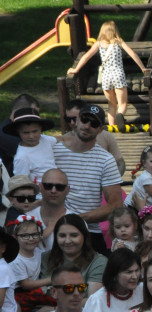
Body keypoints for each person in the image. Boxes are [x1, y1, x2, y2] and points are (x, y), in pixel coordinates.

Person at [52, 105, 124, 252]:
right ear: (77, 120)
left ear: (101, 129)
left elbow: (116, 204)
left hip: (88, 230)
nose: (87, 126)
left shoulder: (106, 160)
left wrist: (76, 219)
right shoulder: (53, 148)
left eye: (94, 123)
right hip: (51, 225)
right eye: (85, 119)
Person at [65, 21, 147, 129]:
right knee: (122, 103)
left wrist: (76, 69)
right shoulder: (119, 42)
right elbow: (133, 54)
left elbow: (85, 57)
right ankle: (120, 115)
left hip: (106, 76)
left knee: (111, 104)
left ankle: (112, 128)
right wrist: (143, 68)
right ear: (114, 31)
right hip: (118, 74)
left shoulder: (99, 43)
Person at [42, 214, 107, 293]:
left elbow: (92, 301)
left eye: (74, 235)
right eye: (62, 236)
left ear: (84, 236)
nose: (67, 241)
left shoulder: (98, 262)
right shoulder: (45, 258)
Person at [61, 99, 127, 176]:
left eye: (75, 119)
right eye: (68, 119)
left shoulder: (106, 137)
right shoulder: (62, 142)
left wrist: (112, 181)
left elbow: (120, 162)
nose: (72, 123)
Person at [83, 248, 142, 312]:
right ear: (114, 274)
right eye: (129, 272)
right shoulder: (98, 300)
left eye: (137, 270)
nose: (135, 277)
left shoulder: (143, 290)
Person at [6, 108, 56, 185]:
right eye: (26, 133)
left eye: (35, 131)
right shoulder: (22, 157)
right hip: (39, 194)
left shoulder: (45, 140)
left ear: (41, 129)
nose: (31, 136)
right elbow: (21, 183)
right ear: (18, 132)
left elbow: (61, 140)